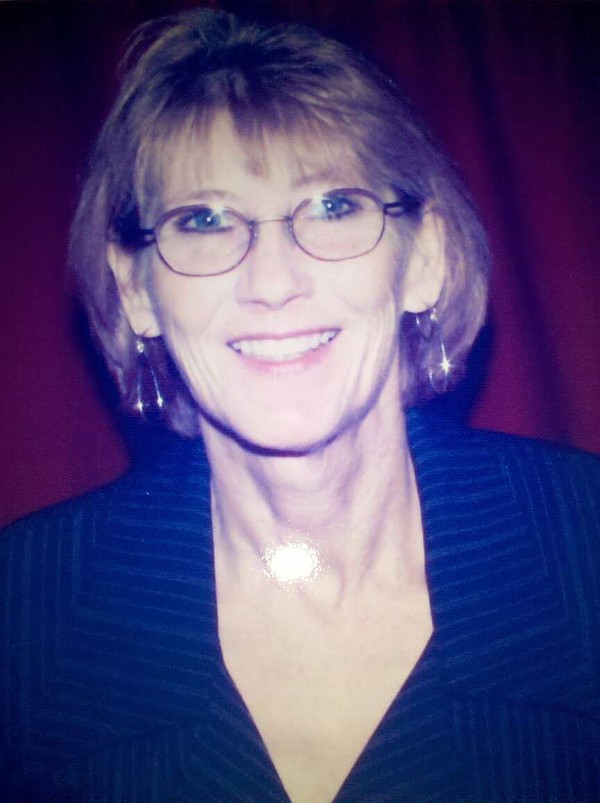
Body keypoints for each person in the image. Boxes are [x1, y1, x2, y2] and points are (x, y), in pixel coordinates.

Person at [1, 8, 599, 802]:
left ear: (423, 258)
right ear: (136, 288)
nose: (273, 283)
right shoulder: (22, 611)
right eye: (205, 220)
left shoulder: (584, 545)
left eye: (332, 206)